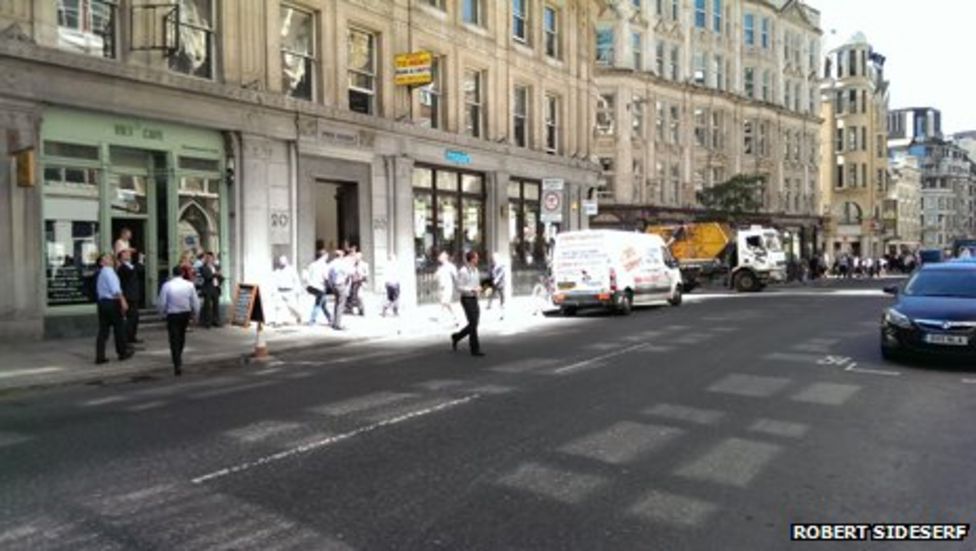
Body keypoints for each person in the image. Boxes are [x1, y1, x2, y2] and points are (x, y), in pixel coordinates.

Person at [157, 266, 200, 376]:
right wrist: (196, 313)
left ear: (172, 273)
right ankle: (178, 356)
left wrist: (161, 313)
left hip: (172, 314)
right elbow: (195, 300)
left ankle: (176, 361)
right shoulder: (189, 285)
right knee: (181, 335)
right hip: (185, 313)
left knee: (173, 337)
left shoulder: (167, 285)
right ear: (182, 273)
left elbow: (162, 301)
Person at [94, 253, 133, 364]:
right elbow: (115, 290)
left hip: (102, 303)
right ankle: (122, 352)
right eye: (107, 258)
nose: (110, 259)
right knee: (119, 328)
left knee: (103, 330)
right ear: (102, 263)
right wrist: (123, 301)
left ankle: (100, 356)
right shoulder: (109, 272)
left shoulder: (101, 273)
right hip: (112, 302)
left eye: (110, 258)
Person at [451, 251, 485, 356]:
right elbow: (459, 287)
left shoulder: (476, 270)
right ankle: (475, 348)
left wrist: (479, 288)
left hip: (474, 298)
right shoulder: (463, 271)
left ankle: (457, 337)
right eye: (476, 258)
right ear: (472, 259)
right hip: (466, 299)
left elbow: (477, 283)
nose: (478, 260)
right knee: (473, 323)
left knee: (474, 323)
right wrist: (471, 289)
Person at [116, 248, 143, 344]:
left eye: (128, 253)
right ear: (120, 257)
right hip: (128, 296)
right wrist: (140, 261)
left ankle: (132, 336)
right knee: (131, 318)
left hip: (134, 294)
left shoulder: (131, 266)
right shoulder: (122, 268)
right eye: (125, 253)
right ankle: (127, 338)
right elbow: (132, 272)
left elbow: (140, 270)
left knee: (135, 317)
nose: (128, 254)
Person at [273, 255, 303, 326]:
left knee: (292, 307)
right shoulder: (277, 271)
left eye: (283, 261)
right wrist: (274, 291)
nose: (281, 262)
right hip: (280, 291)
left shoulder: (291, 270)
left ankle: (298, 316)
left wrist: (297, 290)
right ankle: (278, 322)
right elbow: (274, 281)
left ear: (286, 261)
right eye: (280, 261)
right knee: (278, 307)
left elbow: (296, 280)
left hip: (289, 291)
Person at [305, 249, 332, 326]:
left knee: (323, 303)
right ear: (323, 256)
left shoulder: (312, 264)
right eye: (326, 256)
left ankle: (330, 318)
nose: (327, 258)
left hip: (311, 286)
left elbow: (307, 275)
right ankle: (312, 321)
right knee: (318, 304)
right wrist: (330, 285)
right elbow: (326, 277)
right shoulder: (324, 265)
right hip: (320, 286)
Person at [329, 252, 354, 330]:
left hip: (334, 285)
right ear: (341, 256)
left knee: (336, 303)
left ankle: (334, 322)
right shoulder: (341, 264)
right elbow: (351, 272)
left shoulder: (331, 263)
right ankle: (338, 324)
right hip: (341, 284)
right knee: (341, 304)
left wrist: (331, 284)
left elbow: (328, 275)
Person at [199, 252, 223, 328]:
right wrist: (215, 274)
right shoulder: (203, 268)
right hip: (208, 288)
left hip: (216, 288)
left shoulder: (216, 267)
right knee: (207, 306)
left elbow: (220, 276)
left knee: (216, 305)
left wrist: (220, 278)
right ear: (206, 259)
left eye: (211, 258)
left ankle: (216, 321)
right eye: (208, 258)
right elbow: (207, 277)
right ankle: (207, 323)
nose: (209, 259)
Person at [435, 251, 459, 326]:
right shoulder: (440, 267)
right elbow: (436, 276)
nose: (439, 258)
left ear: (445, 258)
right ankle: (453, 317)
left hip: (448, 287)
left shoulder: (450, 266)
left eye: (441, 257)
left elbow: (456, 275)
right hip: (441, 287)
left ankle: (454, 317)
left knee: (445, 302)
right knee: (444, 303)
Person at [485, 252, 508, 319]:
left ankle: (502, 313)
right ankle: (489, 304)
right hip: (494, 284)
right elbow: (490, 274)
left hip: (500, 284)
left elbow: (501, 274)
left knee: (502, 299)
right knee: (489, 293)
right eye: (493, 258)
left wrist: (496, 279)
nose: (494, 260)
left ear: (498, 259)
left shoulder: (501, 266)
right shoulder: (492, 266)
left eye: (495, 258)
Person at [346, 251, 369, 316]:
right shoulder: (353, 264)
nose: (356, 258)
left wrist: (362, 275)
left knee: (360, 296)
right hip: (353, 283)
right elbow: (350, 272)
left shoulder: (364, 264)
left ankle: (362, 310)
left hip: (360, 282)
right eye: (356, 257)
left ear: (360, 257)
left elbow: (367, 274)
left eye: (358, 257)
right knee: (354, 296)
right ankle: (355, 309)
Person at [381, 253, 401, 317]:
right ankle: (389, 309)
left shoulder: (394, 266)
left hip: (393, 283)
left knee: (393, 298)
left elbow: (398, 275)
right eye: (393, 258)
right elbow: (386, 276)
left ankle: (390, 310)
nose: (394, 260)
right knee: (393, 298)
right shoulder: (390, 266)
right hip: (392, 284)